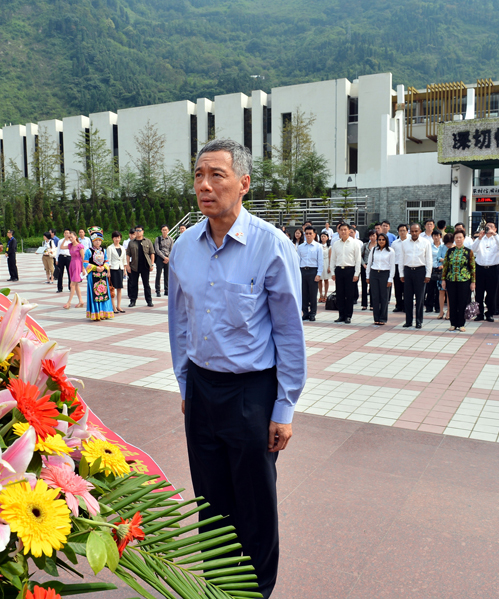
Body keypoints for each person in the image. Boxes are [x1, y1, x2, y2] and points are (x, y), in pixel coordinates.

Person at [168, 138, 305, 599]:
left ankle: (257, 593)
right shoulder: (185, 246)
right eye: (198, 175)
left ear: (243, 183)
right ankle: (220, 588)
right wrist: (185, 384)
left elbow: (289, 332)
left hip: (253, 392)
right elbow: (179, 323)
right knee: (211, 502)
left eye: (217, 175)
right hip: (203, 390)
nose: (204, 186)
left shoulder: (271, 247)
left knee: (255, 504)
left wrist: (284, 406)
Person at [399, 223, 432, 329]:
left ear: (420, 231)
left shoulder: (425, 243)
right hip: (408, 271)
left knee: (420, 298)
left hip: (420, 271)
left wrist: (428, 274)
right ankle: (408, 321)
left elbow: (429, 260)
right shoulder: (404, 243)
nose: (414, 233)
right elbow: (401, 259)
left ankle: (419, 321)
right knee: (407, 298)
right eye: (412, 231)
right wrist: (401, 274)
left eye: (416, 231)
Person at [471, 223, 499, 322]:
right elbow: (473, 249)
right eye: (487, 227)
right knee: (479, 294)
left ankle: (490, 313)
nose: (489, 228)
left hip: (493, 269)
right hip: (480, 269)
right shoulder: (480, 239)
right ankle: (479, 313)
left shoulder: (497, 239)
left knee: (492, 293)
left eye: (491, 227)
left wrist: (495, 234)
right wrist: (479, 238)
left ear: (495, 228)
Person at [328, 222, 362, 324]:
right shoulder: (336, 244)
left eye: (345, 230)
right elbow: (333, 259)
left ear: (349, 231)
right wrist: (333, 272)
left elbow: (358, 260)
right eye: (341, 230)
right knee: (340, 294)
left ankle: (348, 316)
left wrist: (356, 274)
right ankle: (341, 315)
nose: (343, 232)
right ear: (338, 231)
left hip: (350, 270)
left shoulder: (354, 243)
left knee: (349, 295)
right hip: (339, 270)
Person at [443, 231, 475, 331]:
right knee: (452, 302)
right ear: (454, 239)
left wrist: (473, 282)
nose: (458, 239)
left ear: (464, 239)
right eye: (456, 238)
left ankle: (461, 324)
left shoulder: (469, 252)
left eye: (460, 237)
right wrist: (443, 279)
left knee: (462, 302)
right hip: (451, 280)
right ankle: (453, 323)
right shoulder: (450, 251)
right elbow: (445, 266)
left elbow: (473, 267)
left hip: (464, 280)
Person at [83, 227, 115, 321]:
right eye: (96, 240)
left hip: (102, 276)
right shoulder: (89, 251)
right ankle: (96, 313)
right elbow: (85, 263)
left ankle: (104, 312)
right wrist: (95, 267)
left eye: (99, 240)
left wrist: (104, 266)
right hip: (93, 276)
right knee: (95, 293)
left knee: (103, 294)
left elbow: (107, 261)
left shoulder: (103, 251)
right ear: (92, 241)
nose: (98, 242)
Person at [297, 226, 324, 321]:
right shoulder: (300, 247)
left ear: (314, 234)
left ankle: (313, 313)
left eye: (310, 233)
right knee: (303, 294)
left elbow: (320, 261)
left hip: (313, 271)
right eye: (306, 233)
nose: (308, 235)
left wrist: (318, 274)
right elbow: (298, 260)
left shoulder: (318, 246)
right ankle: (305, 312)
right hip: (303, 271)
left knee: (313, 294)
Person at [366, 233, 395, 325]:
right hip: (374, 273)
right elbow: (369, 263)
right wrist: (367, 276)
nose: (381, 241)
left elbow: (392, 266)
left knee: (384, 297)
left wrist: (390, 279)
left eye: (383, 239)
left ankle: (383, 318)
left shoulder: (390, 251)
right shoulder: (374, 250)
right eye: (379, 239)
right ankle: (376, 318)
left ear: (386, 241)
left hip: (385, 274)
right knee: (375, 297)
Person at [126, 225, 155, 307]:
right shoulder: (131, 242)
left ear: (143, 231)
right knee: (133, 285)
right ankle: (133, 301)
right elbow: (128, 254)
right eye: (136, 230)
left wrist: (152, 264)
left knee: (146, 284)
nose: (138, 232)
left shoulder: (148, 241)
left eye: (139, 230)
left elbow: (152, 253)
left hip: (145, 266)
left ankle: (149, 301)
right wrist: (127, 265)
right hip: (134, 266)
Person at [107, 231, 127, 314]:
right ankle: (113, 306)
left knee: (119, 288)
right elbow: (108, 261)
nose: (117, 239)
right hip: (113, 269)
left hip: (120, 269)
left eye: (118, 237)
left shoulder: (122, 248)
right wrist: (108, 272)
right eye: (115, 237)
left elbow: (124, 260)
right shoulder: (110, 248)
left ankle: (119, 306)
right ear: (113, 238)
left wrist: (125, 270)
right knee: (112, 289)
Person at [64, 233, 85, 310]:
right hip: (72, 265)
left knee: (72, 285)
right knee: (76, 285)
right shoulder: (70, 245)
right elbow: (61, 247)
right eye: (69, 237)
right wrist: (65, 238)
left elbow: (83, 258)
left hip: (78, 265)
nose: (70, 239)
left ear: (76, 237)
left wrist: (83, 268)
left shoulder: (80, 246)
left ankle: (69, 302)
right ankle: (81, 301)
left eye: (71, 237)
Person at [391, 224, 407, 312]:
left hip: (406, 266)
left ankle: (405, 305)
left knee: (406, 288)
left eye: (404, 230)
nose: (402, 232)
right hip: (396, 266)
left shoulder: (409, 242)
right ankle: (398, 305)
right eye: (400, 230)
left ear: (407, 231)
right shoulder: (395, 243)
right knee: (397, 287)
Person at [154, 225, 173, 297]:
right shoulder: (158, 239)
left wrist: (168, 258)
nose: (164, 231)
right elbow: (157, 250)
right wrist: (164, 257)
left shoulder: (170, 239)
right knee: (158, 274)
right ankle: (158, 290)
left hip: (168, 259)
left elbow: (172, 249)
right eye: (163, 230)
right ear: (161, 231)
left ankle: (167, 290)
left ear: (168, 230)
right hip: (160, 258)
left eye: (166, 230)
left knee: (167, 275)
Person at [430, 231, 446, 317]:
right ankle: (429, 307)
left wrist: (443, 265)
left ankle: (438, 308)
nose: (436, 237)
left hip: (441, 269)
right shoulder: (429, 245)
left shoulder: (443, 246)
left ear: (440, 236)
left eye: (437, 235)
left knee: (439, 290)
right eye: (434, 235)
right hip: (432, 268)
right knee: (430, 288)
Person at [359, 229, 376, 309]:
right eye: (370, 236)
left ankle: (372, 304)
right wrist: (363, 264)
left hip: (374, 267)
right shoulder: (365, 245)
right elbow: (359, 256)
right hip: (365, 267)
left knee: (373, 286)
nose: (372, 237)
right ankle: (364, 304)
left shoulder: (378, 246)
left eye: (373, 235)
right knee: (364, 285)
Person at [318, 231, 331, 303]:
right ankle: (320, 294)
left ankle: (326, 294)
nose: (323, 237)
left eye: (324, 236)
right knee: (319, 280)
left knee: (326, 280)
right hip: (320, 263)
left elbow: (330, 257)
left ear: (327, 238)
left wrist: (329, 266)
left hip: (326, 262)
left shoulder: (329, 246)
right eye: (322, 236)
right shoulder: (318, 245)